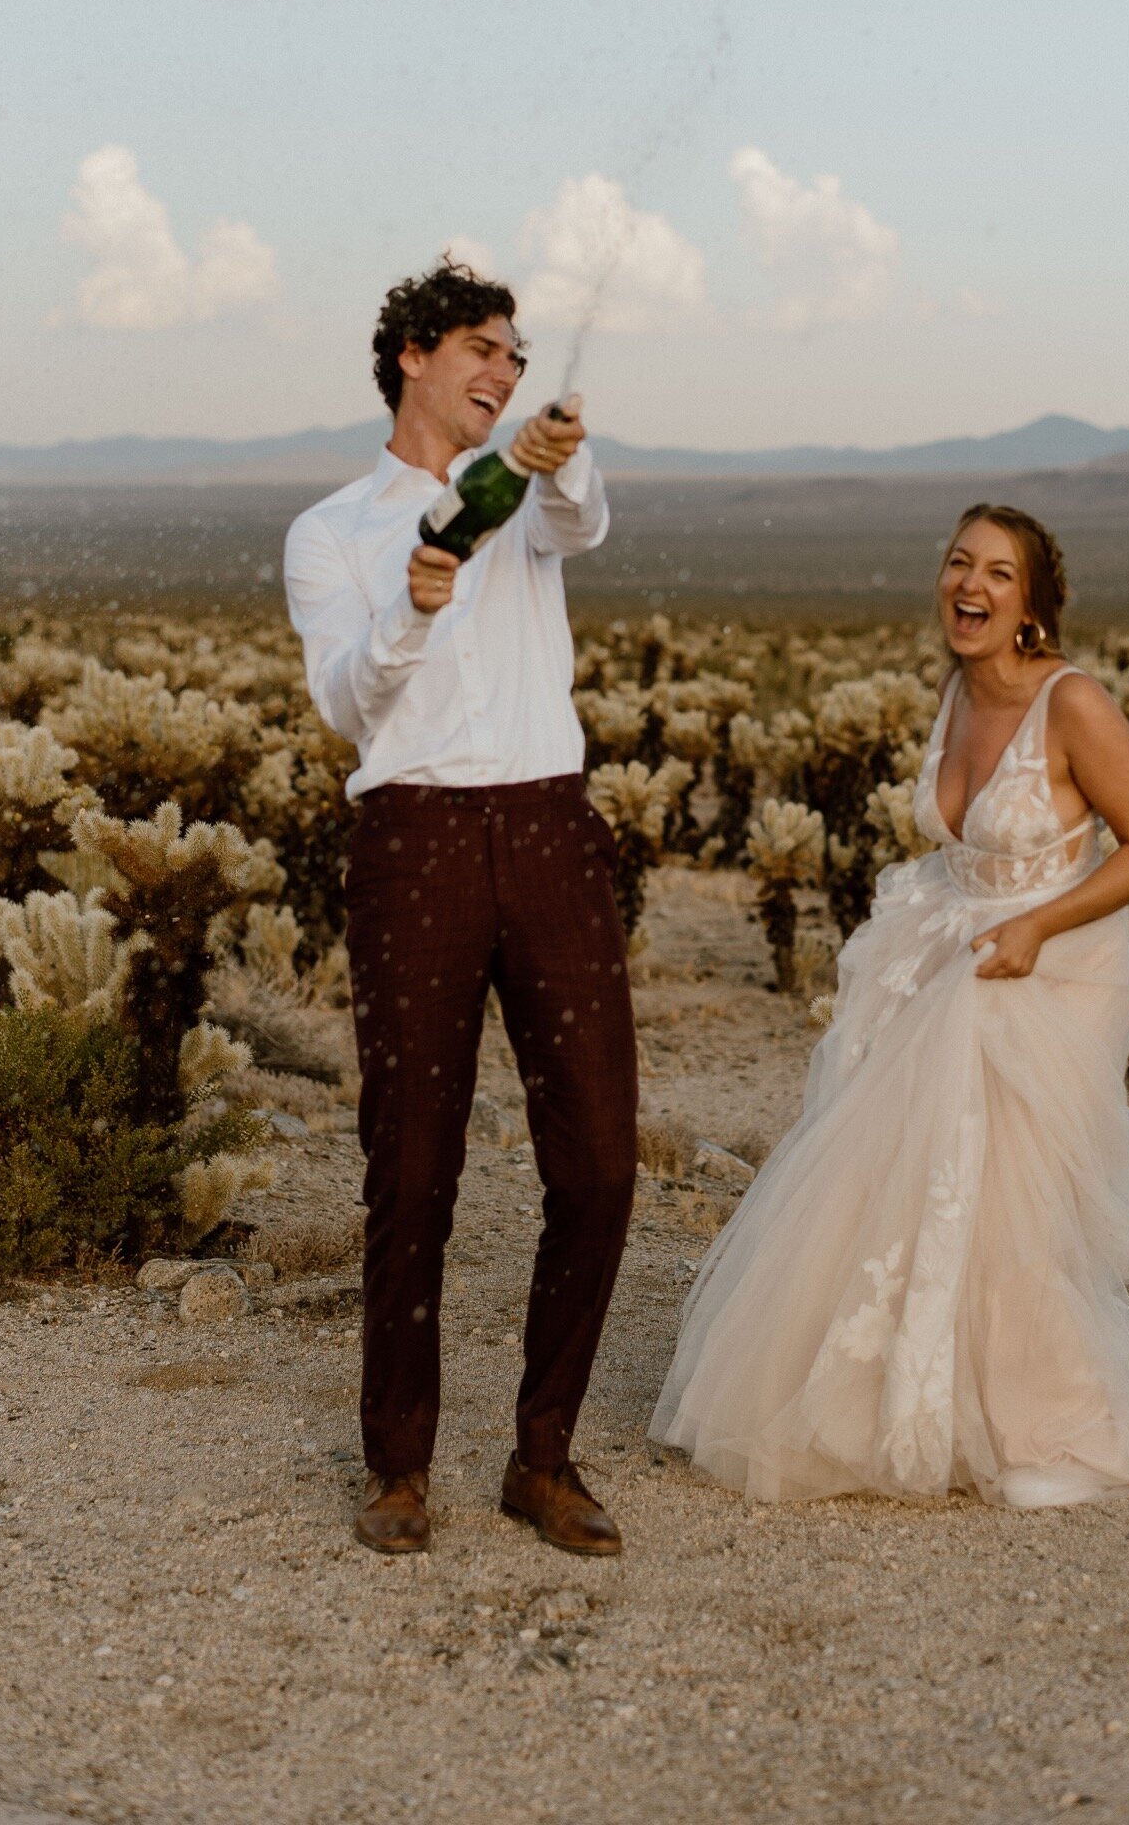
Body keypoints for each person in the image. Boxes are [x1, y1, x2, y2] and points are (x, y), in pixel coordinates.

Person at [651, 504, 1129, 1507]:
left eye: (1001, 573)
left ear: (1033, 604)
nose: (973, 586)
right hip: (952, 947)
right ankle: (909, 1402)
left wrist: (1038, 924)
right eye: (960, 563)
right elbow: (965, 846)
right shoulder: (954, 691)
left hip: (1054, 970)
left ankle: (1043, 1415)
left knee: (1004, 1193)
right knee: (905, 1178)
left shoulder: (1073, 703)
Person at [284, 259, 637, 1557]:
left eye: (520, 358)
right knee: (414, 1168)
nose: (504, 372)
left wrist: (557, 456)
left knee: (600, 1162)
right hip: (414, 839)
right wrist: (412, 610)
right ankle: (401, 1468)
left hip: (549, 831)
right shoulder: (331, 533)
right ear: (414, 357)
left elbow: (578, 528)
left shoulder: (529, 495)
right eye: (484, 350)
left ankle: (542, 1459)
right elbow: (346, 704)